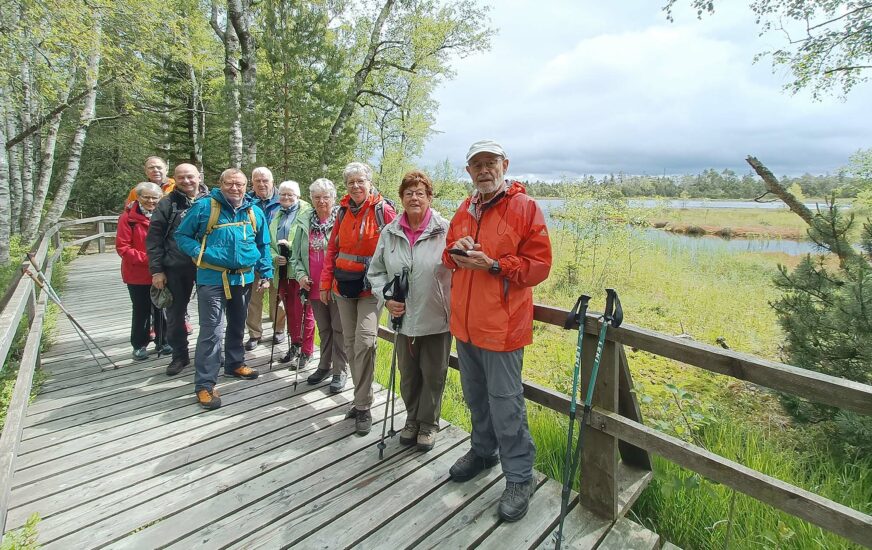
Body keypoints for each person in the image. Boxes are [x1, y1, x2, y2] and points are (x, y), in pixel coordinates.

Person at [442, 139, 552, 522]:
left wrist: (493, 265)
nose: (484, 170)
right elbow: (447, 255)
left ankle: (520, 477)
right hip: (466, 327)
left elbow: (539, 266)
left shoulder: (525, 207)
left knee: (507, 406)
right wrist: (456, 249)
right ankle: (483, 452)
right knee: (475, 398)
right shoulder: (464, 208)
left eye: (491, 163)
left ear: (505, 165)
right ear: (469, 171)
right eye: (477, 165)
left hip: (503, 329)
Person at [175, 168, 273, 410]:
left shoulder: (253, 211)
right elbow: (182, 235)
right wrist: (200, 253)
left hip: (244, 279)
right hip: (212, 278)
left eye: (240, 184)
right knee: (212, 332)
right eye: (230, 183)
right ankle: (205, 384)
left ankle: (234, 363)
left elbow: (263, 244)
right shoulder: (205, 207)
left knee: (238, 325)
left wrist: (266, 272)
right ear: (221, 184)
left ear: (246, 186)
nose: (235, 188)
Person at [368, 170, 452, 452]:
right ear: (402, 198)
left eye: (420, 193)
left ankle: (428, 424)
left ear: (429, 197)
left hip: (436, 317)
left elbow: (460, 271)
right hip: (402, 318)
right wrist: (386, 298)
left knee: (434, 374)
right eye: (409, 193)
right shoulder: (390, 232)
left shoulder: (445, 230)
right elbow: (375, 272)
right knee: (408, 374)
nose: (414, 198)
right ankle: (412, 419)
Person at [320, 162, 396, 435]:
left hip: (371, 289)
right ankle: (360, 398)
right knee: (351, 345)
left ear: (369, 182)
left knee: (365, 342)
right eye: (351, 182)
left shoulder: (382, 211)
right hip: (343, 287)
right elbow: (332, 249)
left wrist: (394, 287)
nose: (355, 186)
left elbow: (396, 246)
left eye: (360, 181)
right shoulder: (342, 212)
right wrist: (325, 283)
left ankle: (363, 406)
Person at [146, 163, 209, 375]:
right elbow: (154, 239)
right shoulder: (167, 203)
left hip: (208, 266)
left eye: (190, 176)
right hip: (175, 266)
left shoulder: (213, 201)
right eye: (181, 177)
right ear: (175, 179)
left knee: (211, 314)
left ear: (199, 177)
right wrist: (157, 270)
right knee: (175, 315)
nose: (186, 181)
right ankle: (179, 355)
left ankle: (210, 353)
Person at [291, 178, 349, 393]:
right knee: (324, 329)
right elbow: (295, 256)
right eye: (317, 197)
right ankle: (324, 365)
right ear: (311, 199)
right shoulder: (304, 221)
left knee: (339, 329)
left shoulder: (342, 219)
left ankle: (340, 370)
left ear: (333, 198)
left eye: (326, 197)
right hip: (313, 286)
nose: (321, 201)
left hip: (336, 285)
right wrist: (300, 276)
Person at [116, 182, 171, 360]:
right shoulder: (128, 218)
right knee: (141, 310)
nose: (150, 201)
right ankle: (139, 345)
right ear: (138, 197)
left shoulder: (165, 215)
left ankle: (164, 341)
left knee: (162, 307)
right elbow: (123, 248)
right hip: (137, 273)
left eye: (155, 198)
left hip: (163, 271)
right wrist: (151, 260)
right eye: (146, 197)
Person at [269, 180, 313, 365]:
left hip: (301, 272)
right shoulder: (277, 214)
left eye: (290, 194)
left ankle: (307, 351)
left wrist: (291, 251)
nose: (286, 197)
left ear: (298, 195)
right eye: (283, 194)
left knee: (305, 313)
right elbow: (269, 243)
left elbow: (308, 242)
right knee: (290, 311)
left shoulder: (307, 214)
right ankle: (295, 344)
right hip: (282, 272)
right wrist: (275, 257)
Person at [244, 167, 286, 351]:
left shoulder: (283, 199)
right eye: (257, 181)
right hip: (253, 257)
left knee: (278, 296)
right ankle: (255, 333)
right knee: (253, 298)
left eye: (265, 180)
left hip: (277, 257)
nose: (261, 184)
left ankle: (279, 329)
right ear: (252, 182)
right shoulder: (245, 201)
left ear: (272, 181)